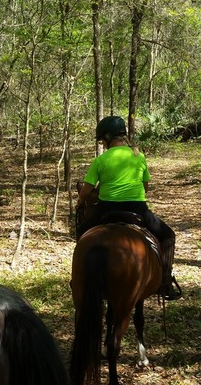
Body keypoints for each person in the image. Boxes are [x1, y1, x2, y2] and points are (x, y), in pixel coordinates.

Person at [76, 115, 181, 301]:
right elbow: (145, 188)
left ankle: (79, 277)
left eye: (102, 140)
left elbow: (86, 192)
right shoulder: (138, 156)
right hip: (137, 209)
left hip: (105, 209)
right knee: (168, 235)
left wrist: (81, 200)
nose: (103, 144)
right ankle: (165, 281)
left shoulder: (101, 160)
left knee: (82, 233)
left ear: (108, 138)